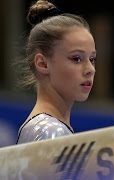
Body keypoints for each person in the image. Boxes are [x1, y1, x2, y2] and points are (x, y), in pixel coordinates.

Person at [15, 0, 96, 144]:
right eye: (76, 58)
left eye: (92, 59)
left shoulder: (47, 128)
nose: (90, 69)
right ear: (42, 63)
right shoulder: (51, 132)